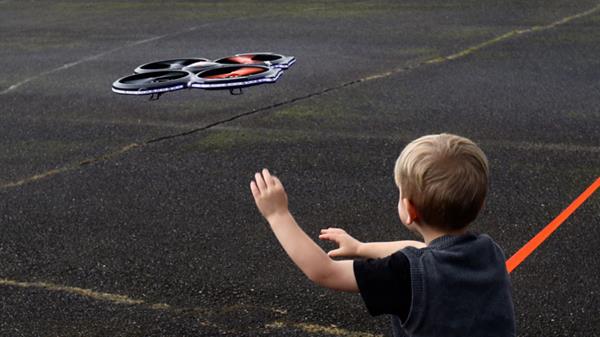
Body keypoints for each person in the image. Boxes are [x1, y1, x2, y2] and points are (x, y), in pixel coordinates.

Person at [250, 133, 516, 337]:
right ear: (481, 204)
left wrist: (277, 215)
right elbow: (421, 250)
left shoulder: (404, 276)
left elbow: (324, 271)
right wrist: (361, 247)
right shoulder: (488, 251)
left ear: (409, 210)